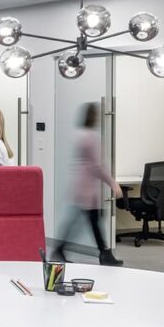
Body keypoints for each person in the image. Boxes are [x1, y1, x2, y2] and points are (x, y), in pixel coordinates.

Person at [55, 102, 124, 266]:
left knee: (84, 221)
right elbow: (97, 166)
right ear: (94, 117)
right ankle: (104, 254)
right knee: (93, 221)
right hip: (87, 188)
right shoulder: (92, 137)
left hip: (78, 184)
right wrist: (113, 184)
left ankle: (61, 248)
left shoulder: (79, 134)